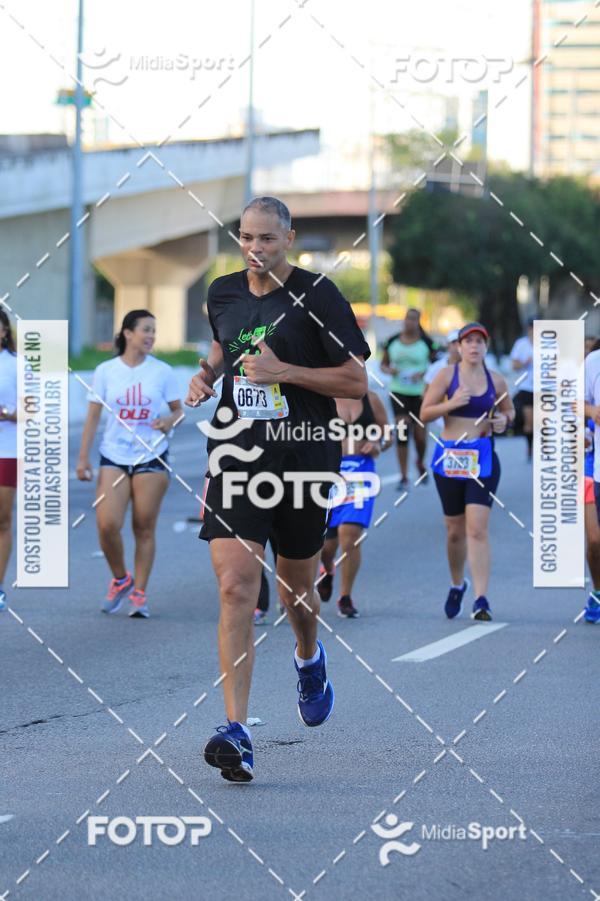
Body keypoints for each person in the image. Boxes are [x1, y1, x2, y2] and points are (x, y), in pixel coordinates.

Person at [186, 196, 369, 783]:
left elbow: (354, 380)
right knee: (237, 586)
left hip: (305, 456)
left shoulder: (319, 297)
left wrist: (284, 373)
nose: (255, 249)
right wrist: (208, 374)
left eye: (266, 238)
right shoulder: (222, 292)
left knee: (296, 595)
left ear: (289, 238)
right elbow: (226, 344)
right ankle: (237, 731)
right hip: (238, 456)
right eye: (246, 238)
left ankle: (309, 658)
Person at [76, 310, 182, 618]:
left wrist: (170, 421)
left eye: (154, 331)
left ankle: (139, 593)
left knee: (143, 526)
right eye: (145, 330)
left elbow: (180, 411)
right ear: (127, 333)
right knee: (107, 524)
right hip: (114, 455)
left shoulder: (162, 371)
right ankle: (121, 578)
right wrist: (83, 457)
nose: (151, 336)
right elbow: (94, 416)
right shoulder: (106, 370)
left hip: (152, 455)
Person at [420, 322, 514, 622]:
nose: (474, 346)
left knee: (477, 528)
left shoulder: (496, 381)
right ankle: (458, 583)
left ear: (486, 347)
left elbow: (508, 411)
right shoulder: (446, 376)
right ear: (459, 347)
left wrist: (503, 421)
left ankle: (481, 599)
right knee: (455, 532)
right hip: (449, 459)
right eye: (468, 341)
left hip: (483, 459)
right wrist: (451, 403)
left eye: (479, 342)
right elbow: (424, 412)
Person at [318, 390, 391, 618]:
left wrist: (378, 443)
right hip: (330, 472)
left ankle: (345, 596)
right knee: (325, 545)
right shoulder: (322, 395)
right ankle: (327, 568)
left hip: (361, 472)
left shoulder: (371, 398)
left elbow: (387, 432)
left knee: (350, 534)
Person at [381, 309, 434, 489]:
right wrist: (390, 371)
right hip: (399, 391)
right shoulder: (392, 341)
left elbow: (437, 365)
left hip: (420, 392)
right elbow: (383, 364)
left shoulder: (427, 342)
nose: (409, 322)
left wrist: (423, 373)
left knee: (419, 435)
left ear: (418, 321)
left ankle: (420, 460)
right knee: (402, 430)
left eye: (413, 319)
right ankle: (403, 476)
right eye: (407, 319)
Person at [0, 311, 17, 612]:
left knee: (1, 520)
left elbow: (35, 410)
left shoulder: (17, 365)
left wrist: (7, 413)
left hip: (7, 450)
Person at [584, 344, 600, 623]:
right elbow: (572, 401)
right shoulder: (594, 361)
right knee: (597, 540)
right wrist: (592, 411)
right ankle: (598, 590)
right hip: (597, 469)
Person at [510, 318, 534, 461]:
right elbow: (514, 365)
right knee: (529, 422)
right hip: (526, 388)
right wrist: (525, 363)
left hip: (544, 388)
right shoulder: (521, 344)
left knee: (544, 422)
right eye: (532, 327)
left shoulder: (549, 343)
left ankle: (545, 450)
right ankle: (529, 448)